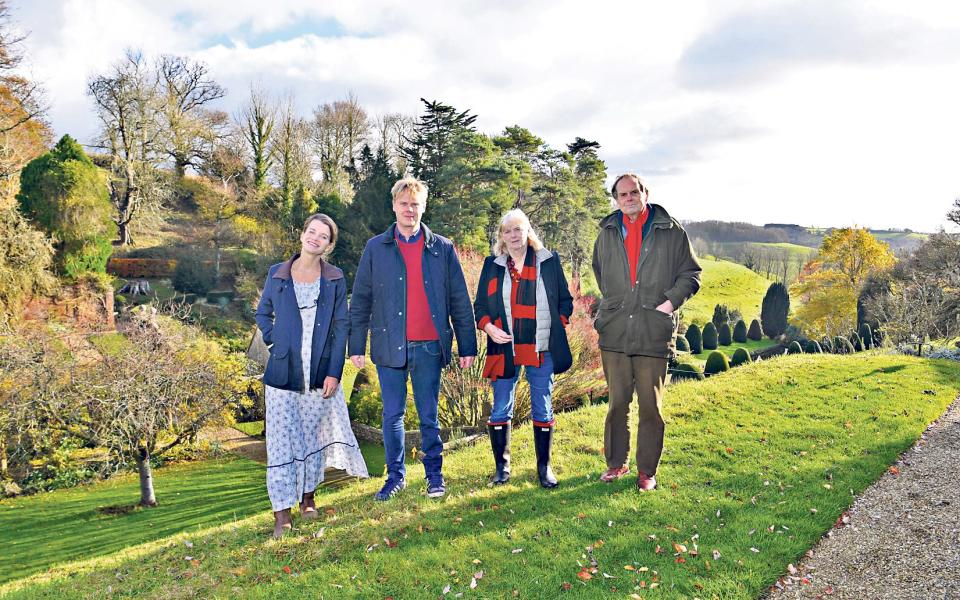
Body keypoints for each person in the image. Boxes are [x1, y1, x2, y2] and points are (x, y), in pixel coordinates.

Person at [349, 177, 477, 501]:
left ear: (423, 207)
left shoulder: (443, 249)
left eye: (415, 204)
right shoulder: (375, 248)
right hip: (389, 346)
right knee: (392, 415)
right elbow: (361, 298)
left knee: (428, 415)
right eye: (404, 203)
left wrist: (467, 345)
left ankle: (435, 476)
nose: (409, 209)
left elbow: (459, 299)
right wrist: (355, 346)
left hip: (430, 347)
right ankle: (395, 478)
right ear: (394, 205)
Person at [255, 214, 369, 538]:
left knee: (311, 439)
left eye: (323, 236)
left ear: (328, 245)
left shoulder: (334, 278)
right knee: (279, 444)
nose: (314, 238)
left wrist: (334, 372)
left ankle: (308, 499)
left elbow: (341, 326)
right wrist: (273, 338)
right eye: (311, 232)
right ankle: (281, 515)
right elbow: (262, 312)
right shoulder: (277, 274)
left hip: (318, 373)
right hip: (281, 374)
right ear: (303, 234)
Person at [593, 173, 701, 491]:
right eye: (622, 194)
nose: (628, 198)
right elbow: (601, 272)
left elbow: (691, 274)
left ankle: (646, 472)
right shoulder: (608, 232)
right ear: (615, 199)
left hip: (653, 331)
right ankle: (616, 464)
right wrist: (616, 304)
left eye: (633, 192)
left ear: (645, 193)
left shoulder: (670, 230)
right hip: (615, 331)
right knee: (617, 403)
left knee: (650, 406)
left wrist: (666, 305)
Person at [474, 209, 573, 488]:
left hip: (541, 348)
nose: (514, 235)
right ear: (501, 237)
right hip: (504, 348)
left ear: (528, 232)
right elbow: (480, 306)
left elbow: (565, 302)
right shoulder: (492, 265)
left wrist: (556, 326)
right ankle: (502, 469)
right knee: (500, 408)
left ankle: (544, 469)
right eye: (508, 231)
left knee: (542, 406)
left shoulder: (549, 262)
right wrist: (489, 328)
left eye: (519, 229)